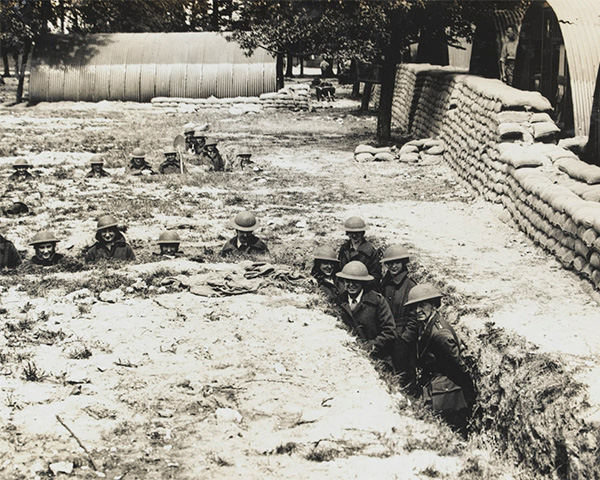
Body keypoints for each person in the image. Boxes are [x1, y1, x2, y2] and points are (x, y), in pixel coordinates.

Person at [402, 284, 475, 433]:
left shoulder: (440, 334)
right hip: (434, 385)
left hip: (445, 392)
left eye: (422, 306)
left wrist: (468, 394)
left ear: (433, 305)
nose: (418, 311)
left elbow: (457, 367)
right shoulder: (427, 324)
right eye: (415, 307)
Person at [335, 261, 399, 368]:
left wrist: (371, 346)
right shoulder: (339, 301)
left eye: (355, 281)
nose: (351, 285)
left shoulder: (377, 301)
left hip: (376, 358)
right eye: (347, 281)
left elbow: (390, 331)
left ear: (363, 282)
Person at [338, 216, 382, 288]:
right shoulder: (344, 249)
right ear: (347, 233)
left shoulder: (371, 252)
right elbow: (339, 270)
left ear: (362, 233)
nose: (354, 235)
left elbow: (375, 277)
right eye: (351, 233)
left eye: (357, 233)